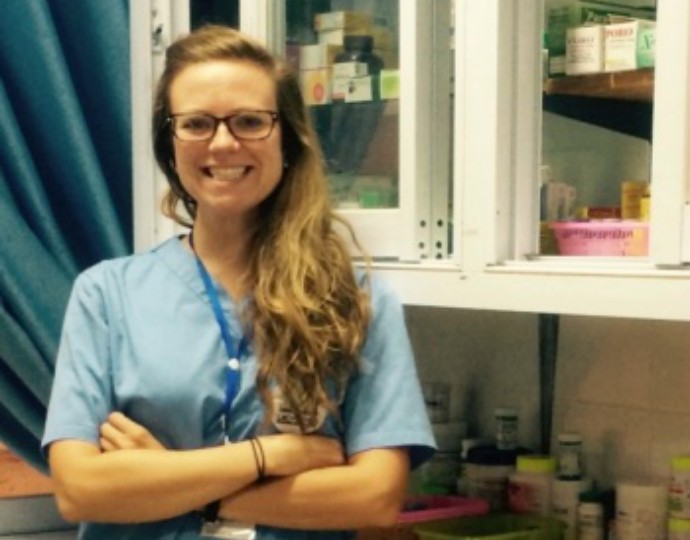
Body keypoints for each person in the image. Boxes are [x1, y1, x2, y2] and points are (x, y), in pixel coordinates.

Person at [42, 24, 435, 539]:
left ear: (288, 139)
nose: (223, 143)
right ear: (170, 145)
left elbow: (375, 498)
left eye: (251, 121)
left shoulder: (357, 301)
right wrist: (269, 454)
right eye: (197, 123)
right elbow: (80, 491)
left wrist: (175, 485)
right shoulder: (106, 295)